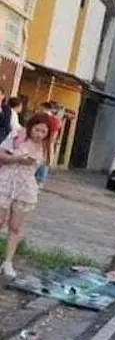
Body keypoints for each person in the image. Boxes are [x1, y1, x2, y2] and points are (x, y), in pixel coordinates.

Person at [0, 113, 52, 277]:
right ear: (31, 127)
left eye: (43, 132)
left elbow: (42, 169)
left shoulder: (45, 147)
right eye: (37, 130)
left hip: (25, 186)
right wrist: (16, 158)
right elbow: (1, 153)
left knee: (15, 226)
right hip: (7, 181)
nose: (39, 134)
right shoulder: (17, 136)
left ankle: (8, 261)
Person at [36, 102, 62, 187]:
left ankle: (38, 180)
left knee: (40, 163)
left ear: (44, 108)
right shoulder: (55, 121)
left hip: (40, 143)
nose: (39, 110)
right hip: (46, 144)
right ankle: (39, 181)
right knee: (43, 163)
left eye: (40, 108)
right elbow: (53, 137)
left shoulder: (40, 118)